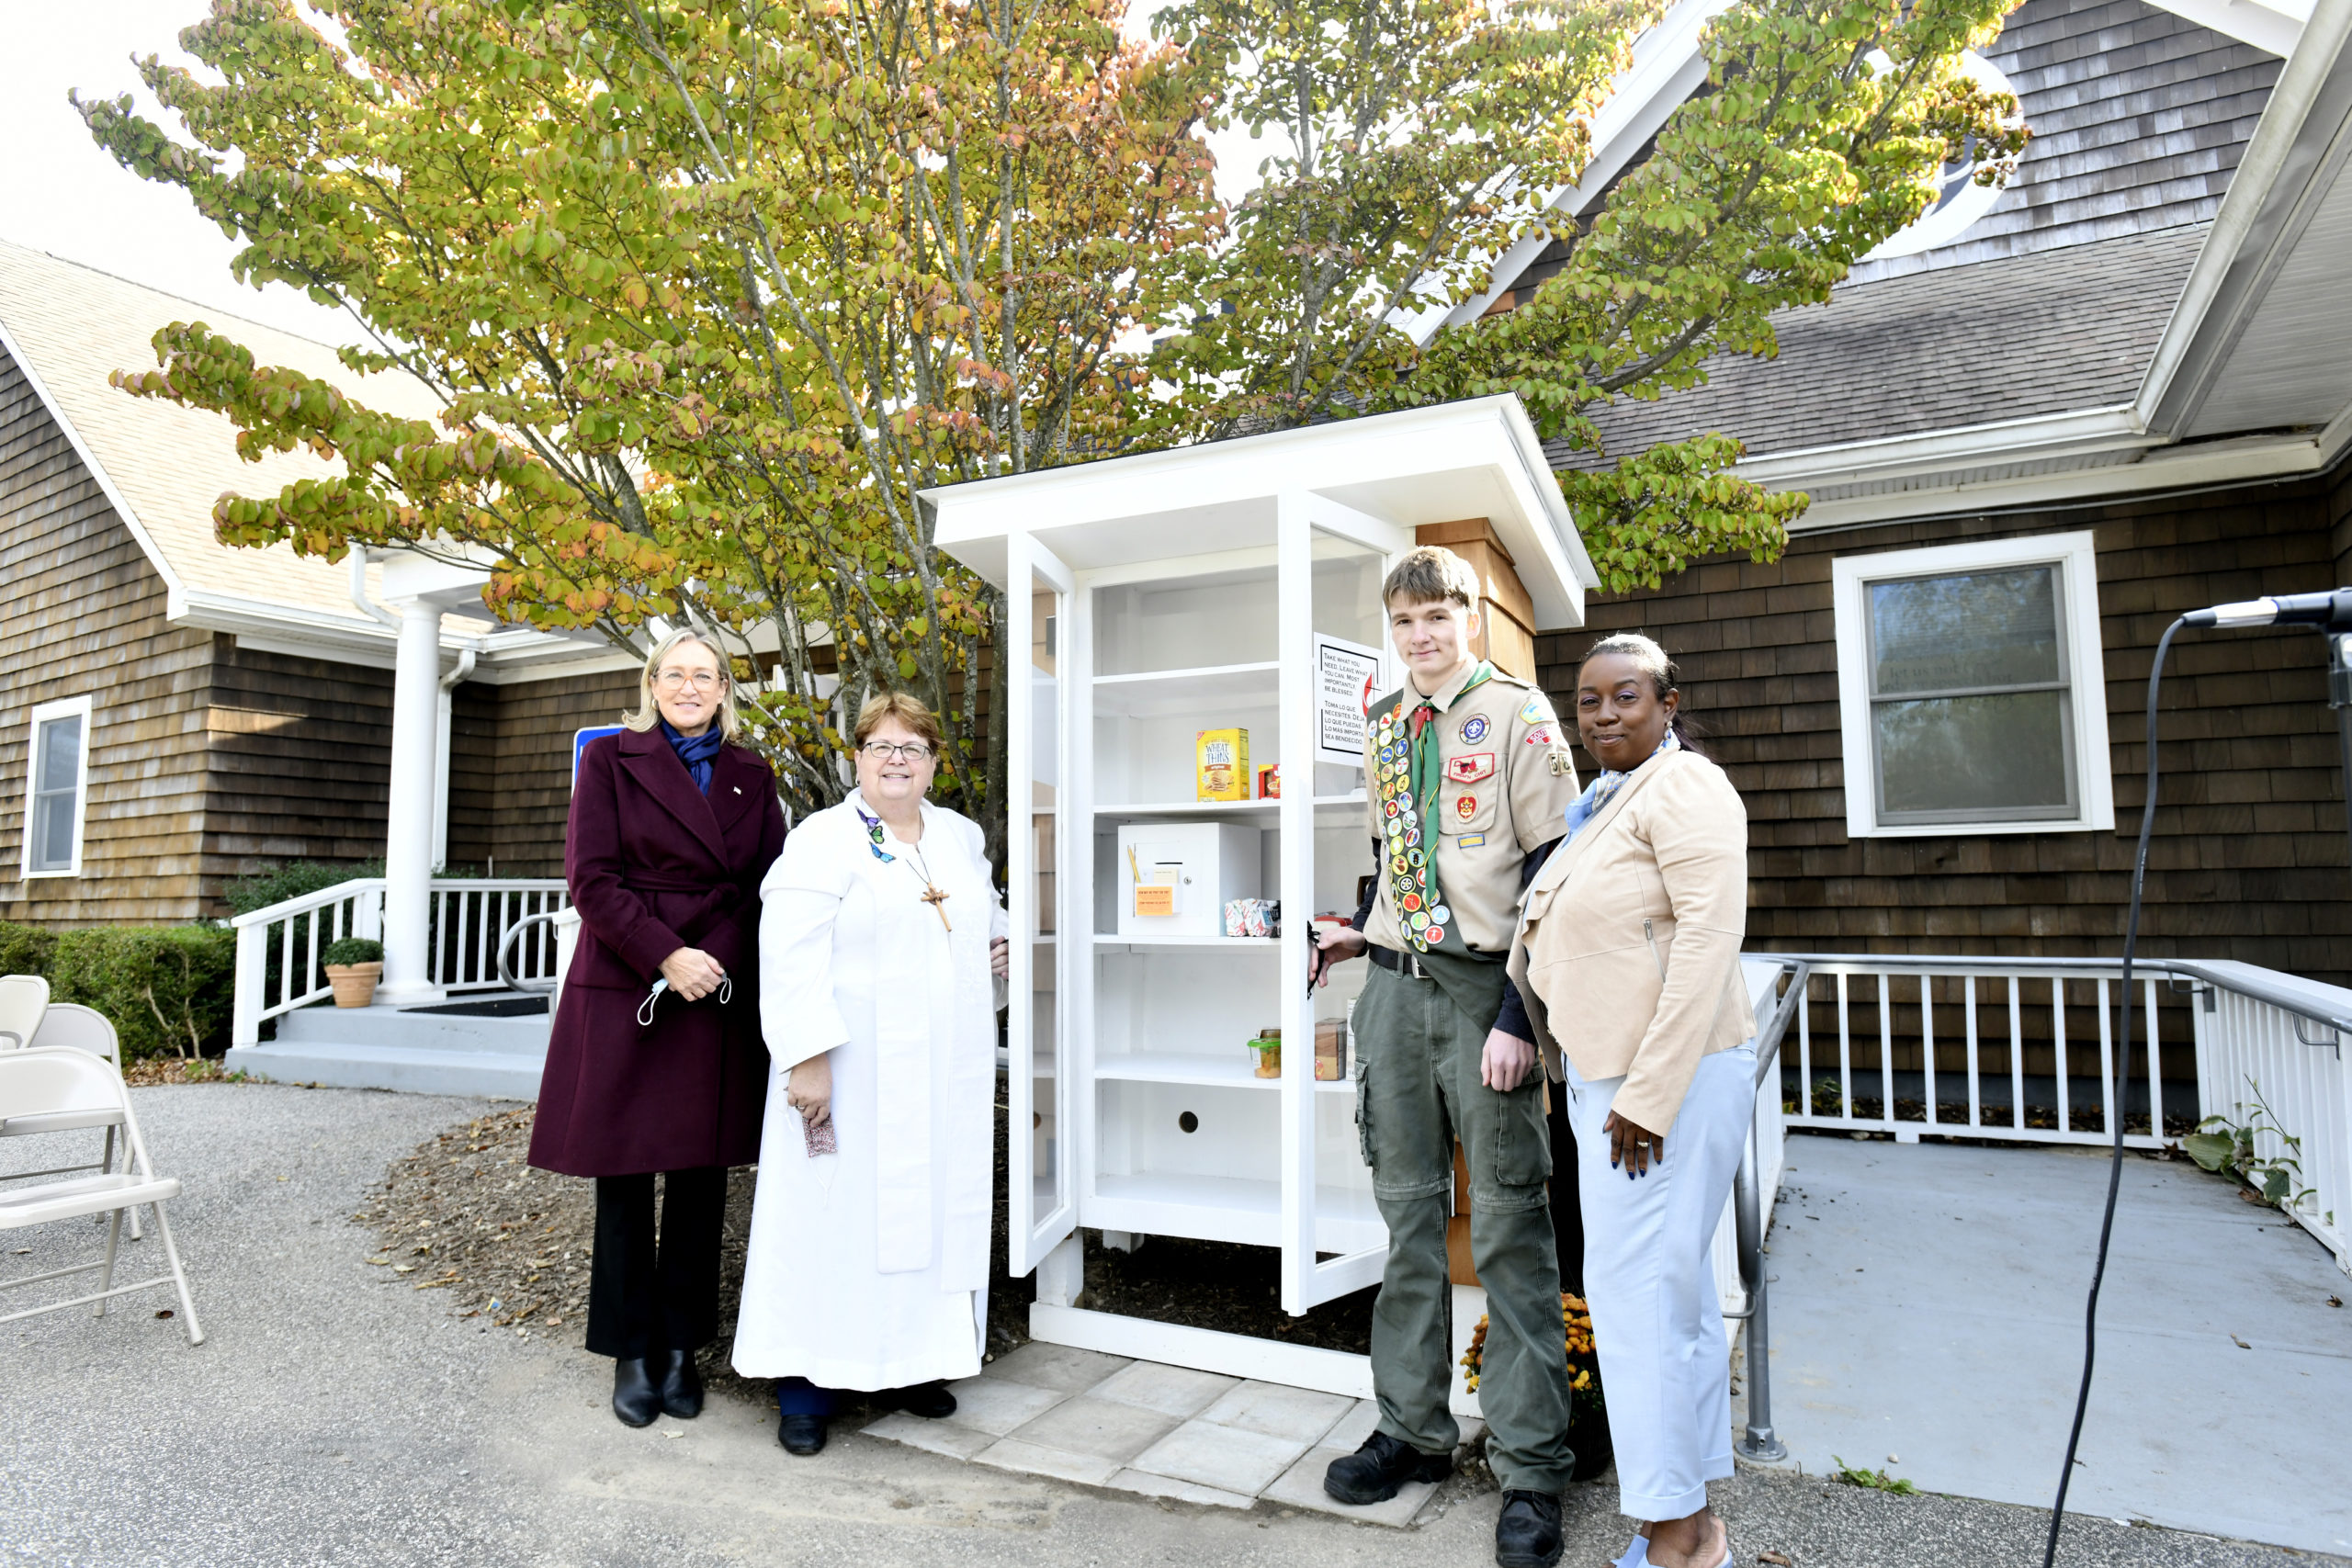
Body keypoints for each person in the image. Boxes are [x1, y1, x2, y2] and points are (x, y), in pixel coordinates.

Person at [1308, 546, 1584, 1568]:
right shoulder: (1384, 725)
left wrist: (1521, 1013)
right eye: (1407, 621)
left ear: (1470, 616)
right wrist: (1359, 930)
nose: (1423, 636)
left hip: (1484, 995)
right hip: (1392, 986)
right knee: (1408, 1219)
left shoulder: (1518, 715)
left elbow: (1552, 870)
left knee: (1511, 1229)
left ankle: (1529, 1467)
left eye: (1440, 616)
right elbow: (1399, 853)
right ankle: (1413, 1432)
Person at [1506, 633, 1757, 1568]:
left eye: (1625, 697)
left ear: (1667, 702)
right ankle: (1692, 1528)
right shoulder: (1605, 803)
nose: (1604, 714)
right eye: (1587, 702)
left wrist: (1649, 1095)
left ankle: (1672, 1538)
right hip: (1613, 1080)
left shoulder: (1683, 786)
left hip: (1659, 1088)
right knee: (1664, 1301)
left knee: (1639, 1302)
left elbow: (1706, 938)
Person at [731, 693, 1010, 1456]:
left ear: (932, 762)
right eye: (882, 745)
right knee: (832, 1223)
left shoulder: (957, 835)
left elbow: (984, 919)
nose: (897, 759)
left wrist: (1003, 951)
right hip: (849, 1070)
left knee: (927, 1214)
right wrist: (807, 1057)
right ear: (857, 756)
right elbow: (788, 953)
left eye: (913, 747)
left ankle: (912, 1363)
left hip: (936, 1076)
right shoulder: (823, 839)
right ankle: (807, 1387)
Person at [529, 628, 787, 1428]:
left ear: (723, 690)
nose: (688, 686)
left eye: (703, 674)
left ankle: (681, 1347)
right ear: (652, 682)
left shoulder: (752, 772)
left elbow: (771, 885)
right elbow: (591, 878)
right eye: (674, 673)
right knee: (626, 1177)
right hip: (629, 978)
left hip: (715, 983)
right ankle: (631, 1350)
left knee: (701, 1177)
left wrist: (710, 955)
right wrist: (666, 954)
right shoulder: (610, 759)